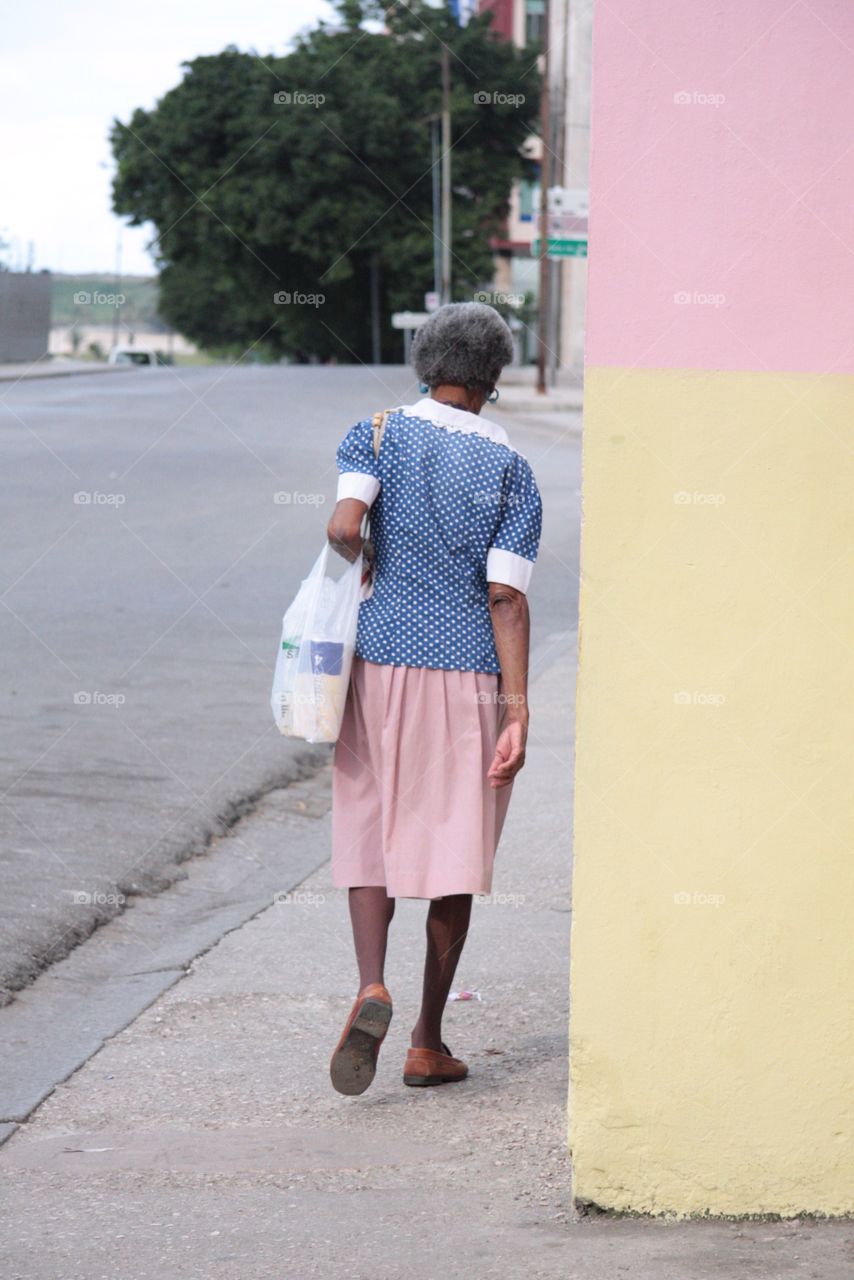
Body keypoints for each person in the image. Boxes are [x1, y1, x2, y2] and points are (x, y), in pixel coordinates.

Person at [325, 301, 542, 1095]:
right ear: (493, 377)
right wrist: (516, 708)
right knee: (455, 851)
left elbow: (345, 524)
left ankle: (369, 985)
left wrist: (373, 548)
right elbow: (506, 600)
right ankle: (426, 1040)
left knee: (370, 825)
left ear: (426, 362)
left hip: (378, 665)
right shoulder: (512, 472)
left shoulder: (375, 432)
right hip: (466, 677)